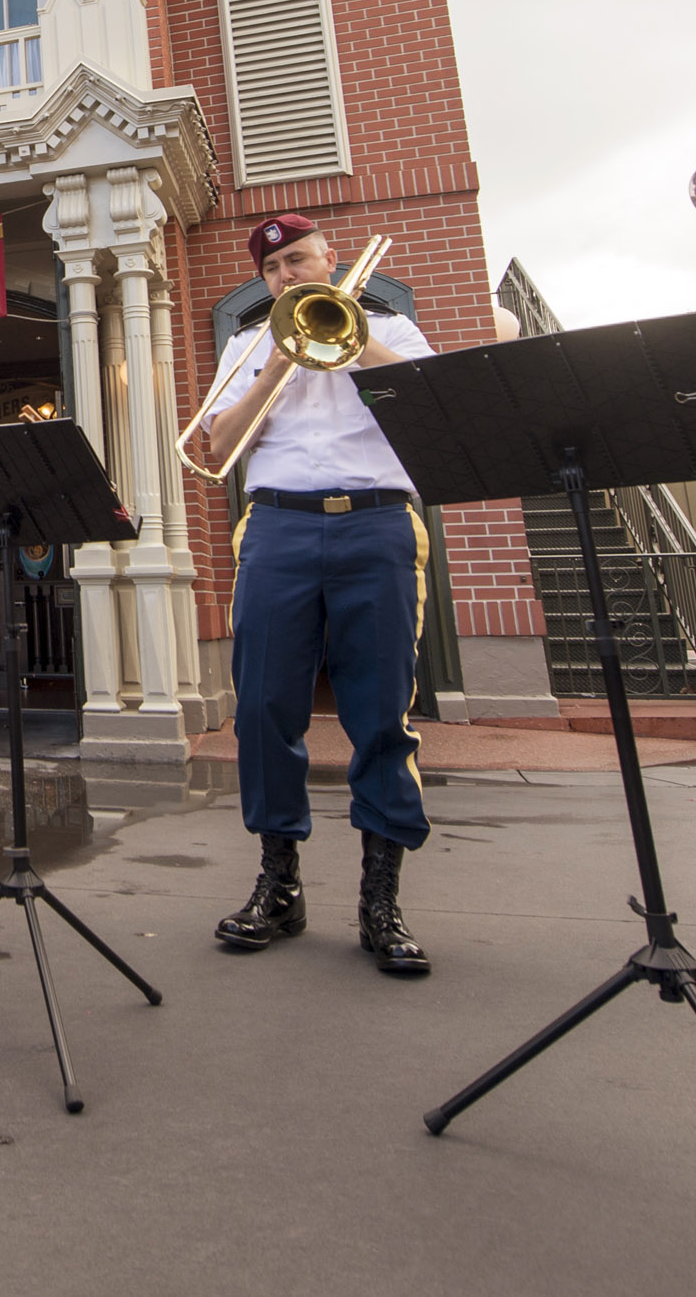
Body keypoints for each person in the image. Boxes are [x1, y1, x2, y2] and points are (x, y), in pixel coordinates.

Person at [197, 214, 435, 972]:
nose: (287, 276)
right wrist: (278, 362)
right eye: (273, 270)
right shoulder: (245, 345)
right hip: (277, 524)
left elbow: (430, 414)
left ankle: (380, 895)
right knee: (264, 704)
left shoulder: (393, 328)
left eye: (298, 260)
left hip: (376, 522)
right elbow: (216, 451)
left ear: (331, 260)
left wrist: (346, 339)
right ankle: (280, 880)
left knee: (381, 709)